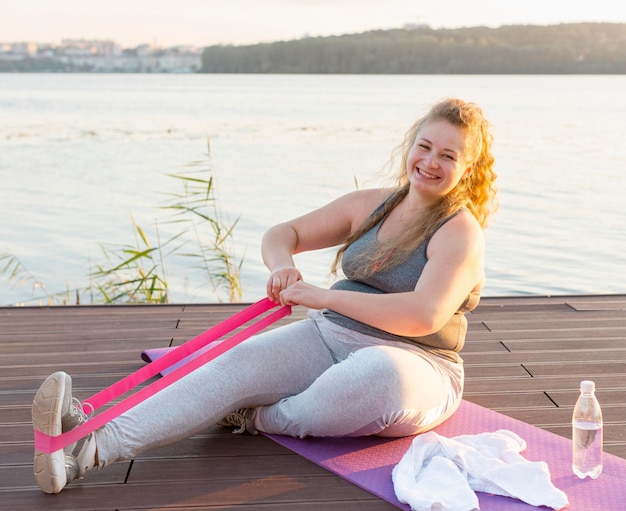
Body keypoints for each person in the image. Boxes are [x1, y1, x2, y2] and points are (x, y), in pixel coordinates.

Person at [32, 97, 498, 494]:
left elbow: (423, 316)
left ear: (468, 168)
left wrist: (325, 297)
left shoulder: (459, 233)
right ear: (410, 146)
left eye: (449, 156)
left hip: (417, 364)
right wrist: (283, 266)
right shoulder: (370, 205)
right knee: (230, 365)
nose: (431, 162)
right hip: (329, 336)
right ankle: (87, 447)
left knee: (376, 375)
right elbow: (284, 232)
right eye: (425, 146)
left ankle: (257, 418)